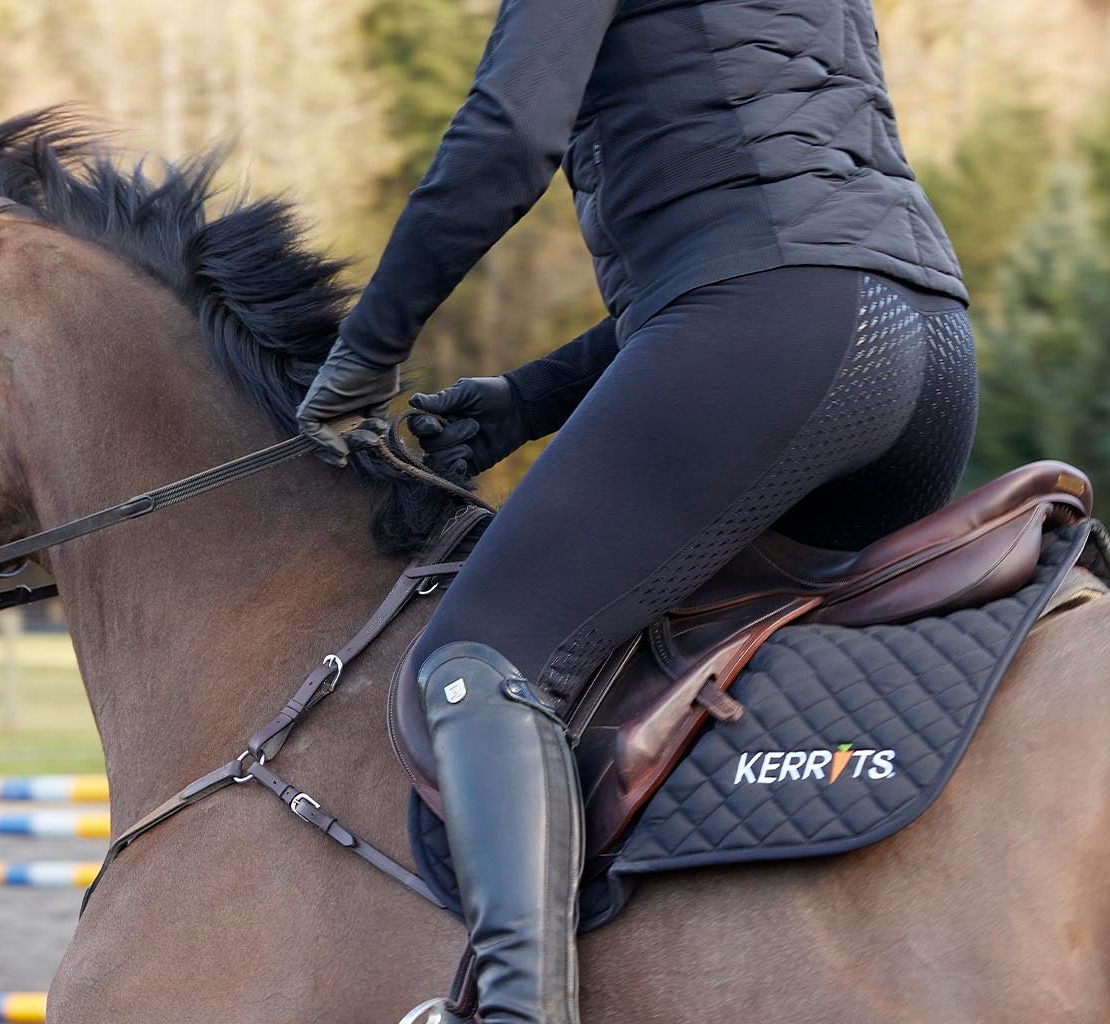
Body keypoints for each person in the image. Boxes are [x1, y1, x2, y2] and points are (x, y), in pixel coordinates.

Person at [295, 1, 975, 1020]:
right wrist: (523, 400)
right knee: (678, 648)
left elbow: (505, 139)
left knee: (481, 667)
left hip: (781, 336)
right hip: (923, 354)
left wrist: (365, 351)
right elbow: (769, 233)